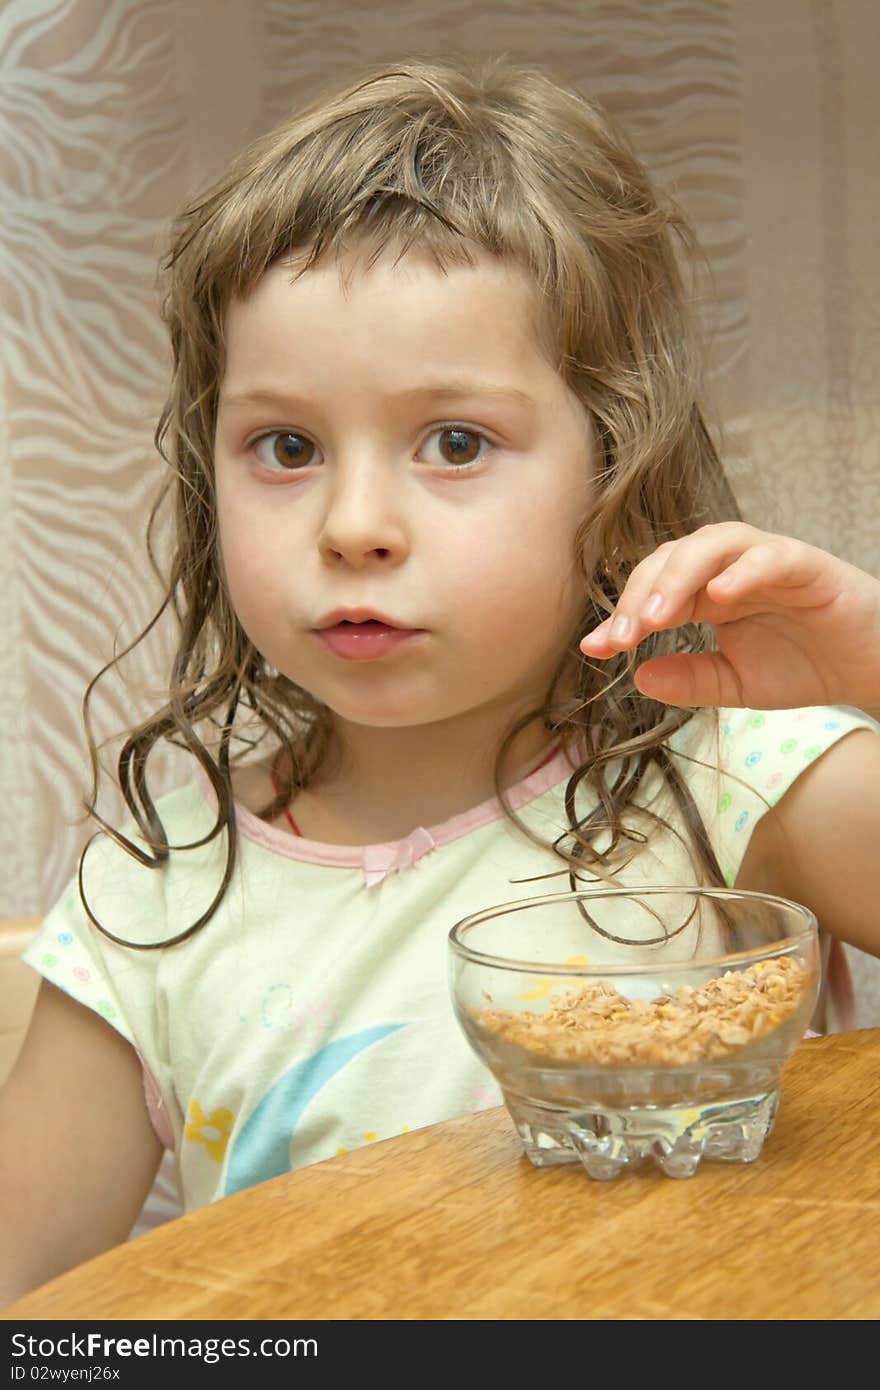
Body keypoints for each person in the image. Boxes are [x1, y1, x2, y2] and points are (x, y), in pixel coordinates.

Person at [2, 52, 879, 1306]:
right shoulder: (162, 884)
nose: (355, 524)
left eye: (454, 442)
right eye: (286, 446)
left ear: (615, 469)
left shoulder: (738, 783)